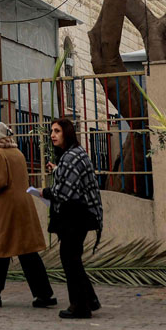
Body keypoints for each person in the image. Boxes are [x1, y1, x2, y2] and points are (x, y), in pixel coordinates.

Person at [0, 120, 55, 310]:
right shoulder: (17, 152)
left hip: (6, 208)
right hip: (22, 206)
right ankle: (44, 294)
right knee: (27, 251)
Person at [42, 118, 104, 319]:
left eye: (57, 131)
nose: (53, 135)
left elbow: (64, 192)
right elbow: (73, 179)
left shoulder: (70, 157)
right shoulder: (73, 154)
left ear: (67, 133)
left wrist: (44, 192)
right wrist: (57, 170)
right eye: (52, 131)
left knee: (70, 258)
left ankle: (80, 307)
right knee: (73, 258)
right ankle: (89, 300)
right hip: (81, 213)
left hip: (77, 214)